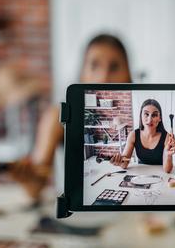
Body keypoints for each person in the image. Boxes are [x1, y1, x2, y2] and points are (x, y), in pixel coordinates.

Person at [10, 34, 132, 200]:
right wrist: (26, 177)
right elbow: (35, 189)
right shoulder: (57, 116)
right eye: (94, 65)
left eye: (114, 66)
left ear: (129, 74)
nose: (104, 76)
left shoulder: (139, 116)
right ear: (82, 72)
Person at [109, 99, 175, 173]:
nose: (149, 120)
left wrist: (168, 155)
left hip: (160, 175)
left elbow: (167, 170)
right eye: (146, 114)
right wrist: (119, 162)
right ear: (141, 116)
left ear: (160, 118)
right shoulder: (133, 135)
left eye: (154, 115)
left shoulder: (167, 137)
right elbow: (125, 163)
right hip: (140, 175)